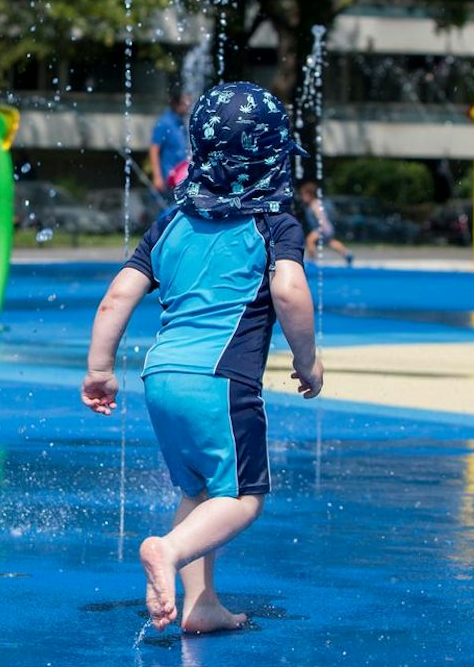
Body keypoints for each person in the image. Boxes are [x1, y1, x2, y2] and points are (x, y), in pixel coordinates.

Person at [82, 81, 323, 634]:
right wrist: (307, 361)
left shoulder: (171, 222)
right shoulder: (274, 225)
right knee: (241, 499)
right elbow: (288, 290)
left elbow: (118, 293)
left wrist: (99, 369)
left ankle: (200, 604)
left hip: (160, 376)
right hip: (222, 379)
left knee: (200, 490)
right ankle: (166, 551)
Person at [146, 86, 193, 198]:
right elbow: (154, 150)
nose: (188, 106)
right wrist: (157, 177)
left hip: (181, 177)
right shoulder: (164, 122)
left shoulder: (181, 122)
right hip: (168, 179)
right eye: (185, 103)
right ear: (176, 104)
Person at [296, 179, 354, 266]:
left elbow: (321, 216)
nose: (302, 198)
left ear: (310, 195)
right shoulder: (315, 204)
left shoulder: (314, 204)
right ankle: (347, 253)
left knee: (309, 240)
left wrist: (323, 226)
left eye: (304, 195)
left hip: (322, 228)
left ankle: (312, 260)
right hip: (326, 228)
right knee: (331, 242)